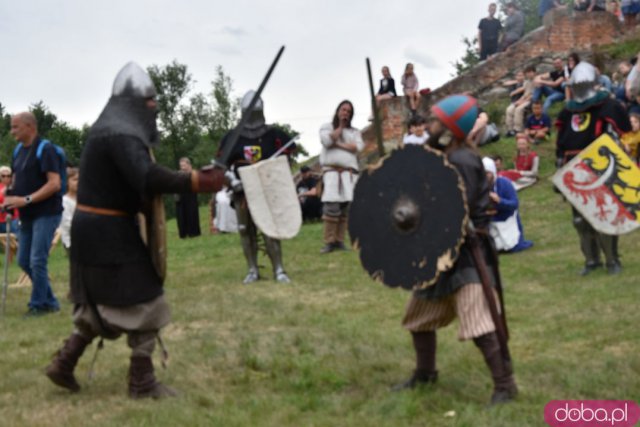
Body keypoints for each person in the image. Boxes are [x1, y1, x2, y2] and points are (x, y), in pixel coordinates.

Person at [44, 62, 224, 398]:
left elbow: (132, 181)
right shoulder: (121, 132)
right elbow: (146, 177)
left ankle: (64, 363)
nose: (154, 107)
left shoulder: (107, 128)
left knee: (96, 302)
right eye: (150, 102)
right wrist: (196, 181)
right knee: (146, 298)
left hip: (92, 228)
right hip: (108, 230)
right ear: (134, 103)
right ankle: (142, 382)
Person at [395, 94, 517, 406]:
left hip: (465, 250)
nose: (429, 126)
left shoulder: (461, 159)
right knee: (419, 316)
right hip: (441, 251)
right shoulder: (446, 155)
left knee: (480, 323)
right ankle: (425, 373)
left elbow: (452, 209)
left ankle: (504, 386)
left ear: (449, 126)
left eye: (435, 121)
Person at [556, 61, 632, 275]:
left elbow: (622, 136)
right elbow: (561, 145)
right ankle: (591, 261)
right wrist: (559, 166)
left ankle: (612, 260)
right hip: (574, 169)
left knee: (604, 215)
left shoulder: (609, 105)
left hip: (599, 167)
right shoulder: (568, 112)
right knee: (579, 220)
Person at [219, 90, 295, 284]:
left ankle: (279, 269)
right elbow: (220, 167)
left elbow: (287, 157)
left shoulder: (273, 134)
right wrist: (233, 181)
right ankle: (252, 270)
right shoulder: (232, 137)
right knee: (245, 229)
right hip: (241, 190)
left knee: (269, 227)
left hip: (266, 188)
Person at [4, 112, 63, 317]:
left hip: (47, 212)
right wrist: (9, 197)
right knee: (23, 261)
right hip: (26, 214)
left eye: (15, 127)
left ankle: (37, 305)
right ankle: (51, 301)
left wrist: (26, 199)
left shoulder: (44, 149)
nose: (12, 131)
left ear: (30, 127)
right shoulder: (19, 150)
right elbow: (15, 179)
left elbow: (55, 184)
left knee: (37, 259)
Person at [319, 100, 364, 253]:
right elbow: (327, 141)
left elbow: (357, 147)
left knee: (345, 208)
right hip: (332, 174)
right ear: (338, 111)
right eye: (343, 110)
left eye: (348, 111)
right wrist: (339, 128)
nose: (345, 113)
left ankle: (339, 241)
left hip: (348, 174)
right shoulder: (327, 127)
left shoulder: (354, 132)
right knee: (331, 207)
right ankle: (329, 241)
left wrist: (337, 144)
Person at [484, 157, 534, 253]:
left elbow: (514, 204)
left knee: (510, 246)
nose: (485, 176)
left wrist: (499, 201)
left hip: (507, 219)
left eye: (487, 173)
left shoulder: (504, 183)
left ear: (492, 172)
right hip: (490, 222)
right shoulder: (480, 187)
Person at [505, 66, 536, 137]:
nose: (529, 74)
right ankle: (510, 130)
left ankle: (518, 129)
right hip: (524, 99)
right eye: (527, 72)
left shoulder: (536, 81)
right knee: (509, 109)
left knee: (518, 109)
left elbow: (532, 95)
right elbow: (524, 92)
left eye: (530, 72)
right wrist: (518, 100)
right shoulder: (527, 82)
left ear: (534, 72)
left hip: (531, 100)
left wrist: (521, 102)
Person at [175, 157, 201, 239]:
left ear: (189, 165)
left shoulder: (193, 173)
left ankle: (194, 233)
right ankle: (183, 234)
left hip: (191, 196)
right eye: (181, 165)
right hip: (181, 197)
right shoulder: (178, 174)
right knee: (181, 216)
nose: (182, 167)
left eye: (184, 165)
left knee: (192, 214)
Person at [58, 167, 78, 255]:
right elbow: (67, 223)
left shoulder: (85, 199)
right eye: (75, 179)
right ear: (67, 182)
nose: (78, 182)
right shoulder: (64, 201)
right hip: (71, 241)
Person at [0, 166, 20, 233]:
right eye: (3, 176)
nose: (6, 178)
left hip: (14, 218)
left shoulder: (16, 186)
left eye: (8, 176)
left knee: (15, 239)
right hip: (1, 219)